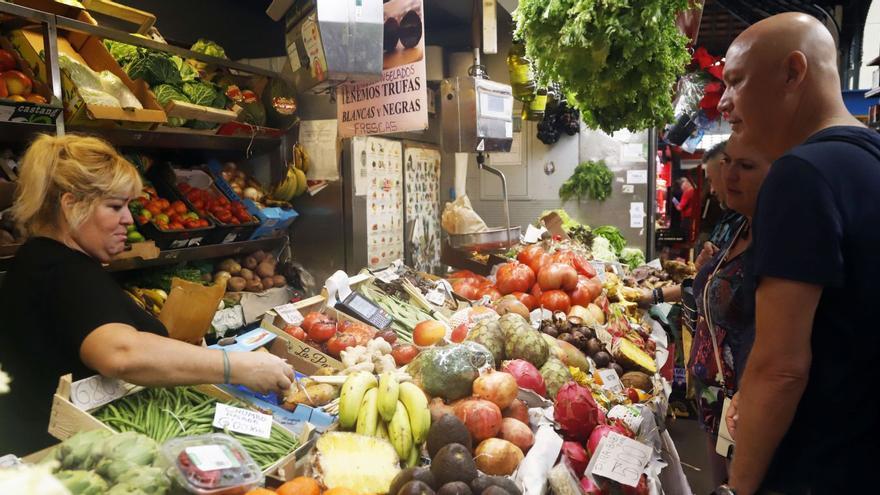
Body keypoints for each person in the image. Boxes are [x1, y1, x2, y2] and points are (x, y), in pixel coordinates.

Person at [0, 134, 296, 455]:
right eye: (115, 207)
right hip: (59, 461)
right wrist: (235, 366)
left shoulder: (45, 259)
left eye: (128, 206)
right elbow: (119, 353)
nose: (128, 219)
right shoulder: (58, 269)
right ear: (70, 205)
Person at [716, 12, 880, 495]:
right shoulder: (869, 157)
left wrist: (736, 487)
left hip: (816, 468)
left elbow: (782, 366)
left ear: (793, 72)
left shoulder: (799, 176)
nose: (724, 102)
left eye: (736, 82)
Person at [688, 137, 768, 487]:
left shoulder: (776, 239)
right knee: (718, 479)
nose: (729, 175)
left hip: (743, 394)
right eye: (728, 164)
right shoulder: (736, 225)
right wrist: (704, 269)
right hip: (714, 386)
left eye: (745, 166)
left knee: (741, 481)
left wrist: (749, 393)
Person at [673, 176, 698, 241]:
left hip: (687, 218)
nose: (681, 187)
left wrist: (673, 199)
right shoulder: (694, 190)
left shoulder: (687, 192)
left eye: (681, 185)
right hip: (693, 217)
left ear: (686, 183)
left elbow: (679, 208)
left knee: (685, 237)